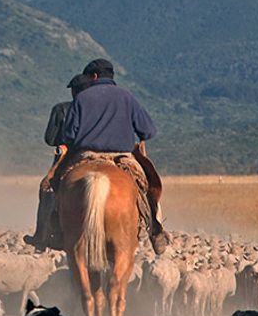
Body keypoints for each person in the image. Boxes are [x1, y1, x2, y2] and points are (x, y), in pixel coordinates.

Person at [27, 58, 169, 254]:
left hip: (87, 154)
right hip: (122, 156)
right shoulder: (126, 97)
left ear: (94, 76)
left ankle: (53, 231)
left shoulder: (82, 99)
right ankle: (155, 229)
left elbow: (69, 135)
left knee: (52, 184)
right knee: (148, 184)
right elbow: (149, 131)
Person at [25, 73, 93, 249]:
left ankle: (41, 235)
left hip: (70, 155)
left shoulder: (61, 109)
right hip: (101, 154)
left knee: (47, 189)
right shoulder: (101, 109)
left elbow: (50, 138)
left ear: (74, 92)